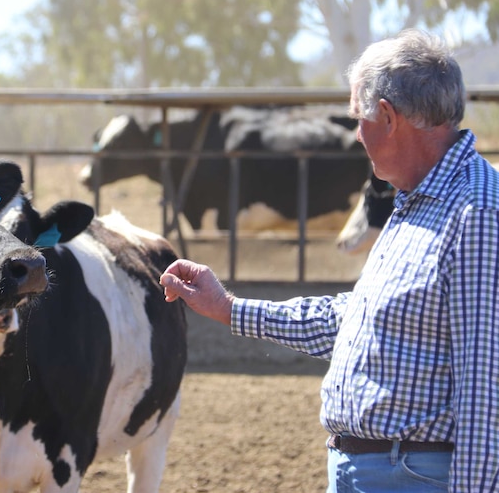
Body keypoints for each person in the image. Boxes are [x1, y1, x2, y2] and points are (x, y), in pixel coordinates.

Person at [160, 28, 499, 492]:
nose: (357, 135)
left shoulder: (477, 213)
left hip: (413, 476)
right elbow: (359, 322)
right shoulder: (419, 203)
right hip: (382, 472)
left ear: (387, 117)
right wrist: (230, 309)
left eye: (359, 118)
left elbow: (486, 388)